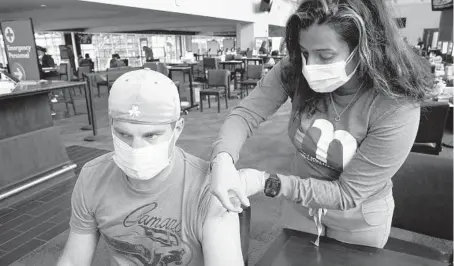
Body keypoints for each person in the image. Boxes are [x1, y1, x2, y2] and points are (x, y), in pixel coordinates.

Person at [209, 0, 432, 249]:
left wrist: (265, 182)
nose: (310, 66)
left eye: (325, 56)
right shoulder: (294, 69)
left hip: (357, 219)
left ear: (365, 48)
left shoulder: (395, 105)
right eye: (304, 52)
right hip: (300, 207)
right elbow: (246, 113)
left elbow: (347, 193)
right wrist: (223, 158)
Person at [57, 69, 262, 266]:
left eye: (151, 135)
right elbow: (74, 260)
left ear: (177, 129)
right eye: (124, 134)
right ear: (111, 126)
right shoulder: (92, 176)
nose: (136, 148)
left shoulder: (209, 189)